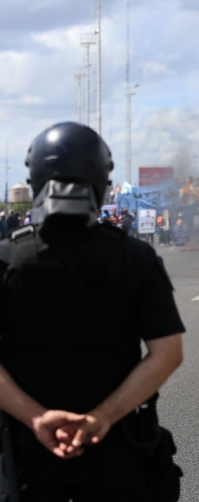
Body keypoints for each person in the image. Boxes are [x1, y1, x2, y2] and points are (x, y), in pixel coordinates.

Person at [0, 122, 185, 501]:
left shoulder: (6, 259)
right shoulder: (136, 257)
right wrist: (102, 417)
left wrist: (36, 418)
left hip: (26, 460)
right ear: (102, 180)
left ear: (34, 178)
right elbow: (168, 353)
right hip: (117, 453)